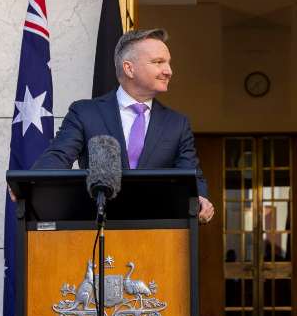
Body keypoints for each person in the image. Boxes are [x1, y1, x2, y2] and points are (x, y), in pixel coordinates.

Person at [33, 28, 216, 223]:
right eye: (158, 62)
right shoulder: (85, 113)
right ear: (129, 68)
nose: (168, 71)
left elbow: (191, 176)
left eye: (168, 63)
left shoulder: (177, 123)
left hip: (157, 235)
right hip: (98, 229)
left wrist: (201, 199)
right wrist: (31, 185)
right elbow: (58, 157)